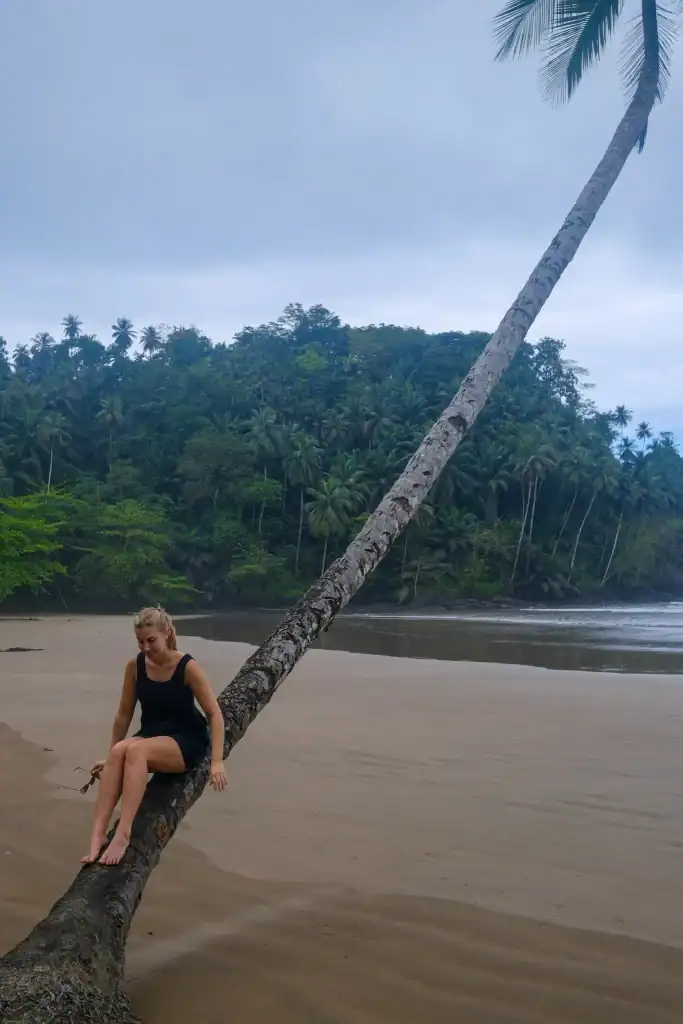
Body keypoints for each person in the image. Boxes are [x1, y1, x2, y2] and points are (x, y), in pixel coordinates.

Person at [81, 606, 227, 866]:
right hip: (151, 733)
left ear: (167, 633)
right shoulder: (135, 667)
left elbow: (214, 714)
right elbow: (124, 714)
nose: (146, 647)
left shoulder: (187, 666)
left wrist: (217, 761)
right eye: (140, 642)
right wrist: (112, 758)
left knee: (137, 752)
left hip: (186, 738)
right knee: (117, 753)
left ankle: (123, 833)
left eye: (151, 641)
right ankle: (98, 834)